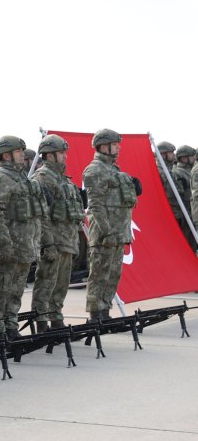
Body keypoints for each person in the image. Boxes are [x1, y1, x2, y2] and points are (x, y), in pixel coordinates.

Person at [0, 135, 45, 339]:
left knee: (16, 289)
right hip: (9, 246)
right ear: (7, 155)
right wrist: (3, 244)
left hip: (25, 245)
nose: (22, 155)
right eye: (19, 151)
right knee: (1, 288)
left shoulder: (22, 179)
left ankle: (10, 323)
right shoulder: (1, 178)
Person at [31, 134, 84, 330]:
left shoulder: (63, 179)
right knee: (46, 283)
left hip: (67, 240)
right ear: (49, 155)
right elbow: (42, 215)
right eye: (61, 153)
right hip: (53, 240)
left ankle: (56, 317)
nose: (65, 156)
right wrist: (48, 243)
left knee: (61, 285)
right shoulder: (43, 178)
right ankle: (41, 321)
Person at [83, 129, 138, 320]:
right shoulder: (95, 169)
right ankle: (95, 314)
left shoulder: (114, 169)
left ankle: (104, 311)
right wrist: (107, 232)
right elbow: (95, 206)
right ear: (104, 146)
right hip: (105, 234)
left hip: (118, 232)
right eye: (115, 144)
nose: (118, 148)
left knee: (112, 275)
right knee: (99, 275)